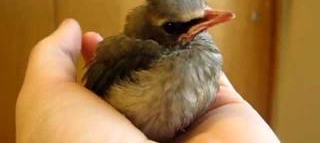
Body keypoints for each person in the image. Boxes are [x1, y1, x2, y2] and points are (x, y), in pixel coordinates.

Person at [16, 19, 279, 143]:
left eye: (202, 16)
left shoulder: (204, 52)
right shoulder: (141, 57)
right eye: (178, 26)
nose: (206, 24)